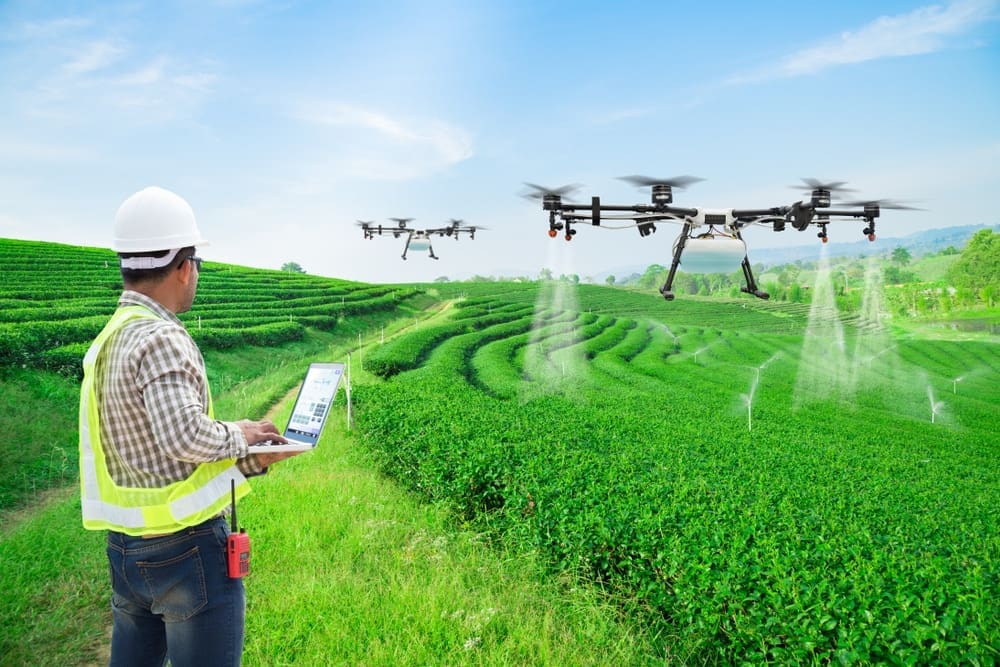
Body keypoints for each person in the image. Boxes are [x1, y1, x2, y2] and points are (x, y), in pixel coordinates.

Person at [78, 186, 302, 666]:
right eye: (195, 263)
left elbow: (152, 442)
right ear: (183, 267)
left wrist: (245, 451)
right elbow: (181, 436)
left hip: (124, 548)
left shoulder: (111, 337)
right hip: (184, 553)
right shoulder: (161, 336)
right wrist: (243, 437)